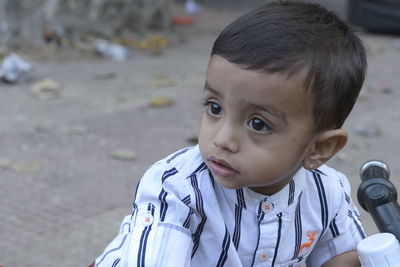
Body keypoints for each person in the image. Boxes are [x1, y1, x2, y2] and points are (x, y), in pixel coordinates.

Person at [93, 1, 367, 266]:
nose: (221, 139)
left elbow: (343, 257)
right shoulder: (177, 189)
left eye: (258, 124)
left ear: (319, 149)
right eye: (215, 107)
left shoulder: (326, 192)